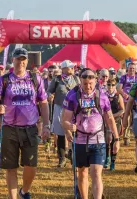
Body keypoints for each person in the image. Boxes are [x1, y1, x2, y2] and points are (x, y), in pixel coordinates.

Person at [0, 47, 50, 199]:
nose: (21, 62)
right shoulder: (3, 79)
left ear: (27, 61)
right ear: (13, 60)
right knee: (11, 167)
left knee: (31, 165)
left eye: (23, 59)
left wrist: (46, 125)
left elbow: (43, 103)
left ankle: (24, 191)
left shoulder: (35, 79)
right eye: (18, 59)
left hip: (30, 128)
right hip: (9, 127)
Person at [62, 68, 120, 199]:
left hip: (98, 140)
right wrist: (69, 127)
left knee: (96, 172)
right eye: (85, 84)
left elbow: (110, 118)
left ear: (95, 81)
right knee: (82, 173)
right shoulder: (72, 96)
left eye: (90, 83)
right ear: (80, 82)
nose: (88, 86)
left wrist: (116, 138)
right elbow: (64, 120)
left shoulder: (102, 96)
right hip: (80, 140)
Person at [47, 60, 80, 168]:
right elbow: (49, 91)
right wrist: (50, 96)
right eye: (70, 67)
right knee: (60, 133)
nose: (72, 68)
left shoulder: (76, 78)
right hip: (59, 107)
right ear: (64, 69)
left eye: (72, 67)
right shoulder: (57, 79)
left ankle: (72, 154)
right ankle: (62, 159)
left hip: (73, 109)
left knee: (74, 131)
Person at [117, 62, 137, 146]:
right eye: (130, 68)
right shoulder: (123, 77)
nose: (131, 70)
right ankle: (126, 137)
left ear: (135, 70)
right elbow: (119, 88)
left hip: (136, 101)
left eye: (133, 68)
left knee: (136, 118)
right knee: (127, 118)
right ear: (127, 69)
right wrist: (124, 94)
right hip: (126, 101)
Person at [104, 77, 124, 171]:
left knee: (114, 141)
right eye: (109, 84)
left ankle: (113, 161)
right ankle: (106, 158)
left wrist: (113, 115)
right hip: (106, 121)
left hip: (116, 120)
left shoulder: (118, 96)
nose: (110, 87)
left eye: (112, 85)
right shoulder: (103, 96)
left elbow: (122, 109)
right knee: (107, 139)